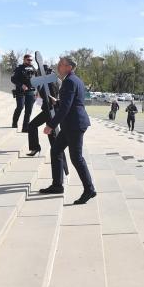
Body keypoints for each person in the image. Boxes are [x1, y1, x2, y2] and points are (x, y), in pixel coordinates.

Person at [40, 57, 95, 204]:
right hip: (70, 124)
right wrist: (58, 101)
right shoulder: (74, 80)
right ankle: (57, 185)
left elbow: (66, 108)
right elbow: (70, 102)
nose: (58, 66)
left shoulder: (70, 81)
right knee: (56, 150)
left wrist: (51, 125)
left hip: (74, 125)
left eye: (61, 64)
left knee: (76, 158)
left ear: (69, 67)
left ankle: (89, 189)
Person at [26, 67, 58, 157]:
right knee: (51, 133)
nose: (37, 74)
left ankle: (37, 148)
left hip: (50, 110)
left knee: (32, 125)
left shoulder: (50, 82)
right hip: (48, 109)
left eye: (39, 72)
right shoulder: (47, 82)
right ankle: (55, 152)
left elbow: (52, 97)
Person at [9, 54, 37, 131]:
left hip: (31, 91)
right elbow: (13, 79)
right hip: (20, 91)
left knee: (29, 110)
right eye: (28, 60)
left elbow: (37, 79)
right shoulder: (19, 68)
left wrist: (38, 91)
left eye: (31, 60)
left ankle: (25, 127)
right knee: (20, 107)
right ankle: (14, 123)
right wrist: (21, 85)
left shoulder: (33, 68)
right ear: (24, 60)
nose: (30, 61)